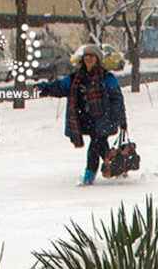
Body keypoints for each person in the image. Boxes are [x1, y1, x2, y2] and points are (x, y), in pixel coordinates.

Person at [35, 45, 126, 186]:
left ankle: (88, 177)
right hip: (85, 118)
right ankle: (117, 167)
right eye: (86, 55)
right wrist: (44, 88)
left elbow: (117, 99)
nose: (88, 58)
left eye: (92, 55)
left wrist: (121, 119)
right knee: (101, 145)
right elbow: (60, 87)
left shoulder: (107, 77)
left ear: (97, 59)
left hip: (103, 118)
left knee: (95, 144)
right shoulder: (76, 78)